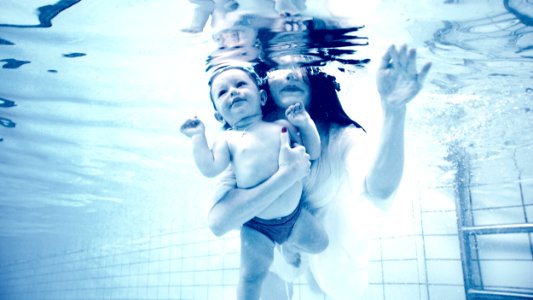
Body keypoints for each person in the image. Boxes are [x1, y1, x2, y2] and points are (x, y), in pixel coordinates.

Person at [206, 45, 432, 299]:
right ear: (264, 85)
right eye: (280, 67)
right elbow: (219, 220)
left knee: (326, 286)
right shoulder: (244, 139)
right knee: (265, 276)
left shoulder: (339, 136)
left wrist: (394, 111)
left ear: (316, 78)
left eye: (301, 65)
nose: (291, 74)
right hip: (270, 236)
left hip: (332, 243)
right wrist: (285, 177)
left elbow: (380, 188)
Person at [180, 65, 328, 300]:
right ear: (219, 115)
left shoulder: (283, 127)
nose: (233, 92)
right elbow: (210, 168)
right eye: (223, 92)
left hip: (295, 216)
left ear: (261, 97)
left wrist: (304, 122)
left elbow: (313, 151)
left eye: (240, 85)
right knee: (251, 278)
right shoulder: (228, 139)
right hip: (257, 226)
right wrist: (198, 138)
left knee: (321, 243)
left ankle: (289, 247)